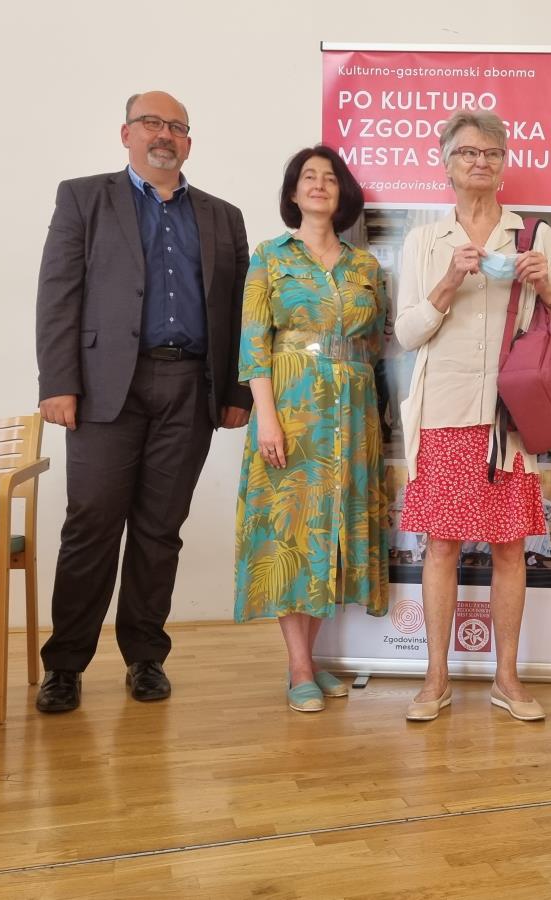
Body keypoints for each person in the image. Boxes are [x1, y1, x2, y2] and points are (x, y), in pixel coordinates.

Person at [34, 92, 251, 712]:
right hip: (105, 389)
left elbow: (239, 308)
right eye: (152, 123)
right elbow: (58, 292)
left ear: (189, 142)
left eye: (177, 127)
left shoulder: (223, 216)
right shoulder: (83, 198)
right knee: (91, 524)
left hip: (189, 388)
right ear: (125, 133)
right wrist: (58, 382)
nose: (165, 134)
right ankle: (65, 665)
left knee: (160, 530)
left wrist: (236, 390)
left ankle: (146, 657)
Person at [395, 109, 551, 722]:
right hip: (444, 414)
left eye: (492, 153)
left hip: (510, 418)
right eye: (469, 152)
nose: (481, 161)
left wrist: (546, 288)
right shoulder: (426, 241)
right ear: (446, 163)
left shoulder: (533, 236)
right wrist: (448, 282)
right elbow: (407, 333)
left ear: (504, 165)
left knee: (508, 547)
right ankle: (435, 678)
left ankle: (507, 678)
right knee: (441, 546)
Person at [234, 146, 389, 712]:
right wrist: (266, 418)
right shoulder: (269, 257)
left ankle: (310, 657)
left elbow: (376, 345)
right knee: (291, 532)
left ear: (342, 193)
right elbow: (254, 344)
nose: (319, 184)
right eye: (308, 177)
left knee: (332, 533)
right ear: (294, 193)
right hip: (292, 411)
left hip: (353, 414)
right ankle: (299, 666)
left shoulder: (365, 267)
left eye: (329, 178)